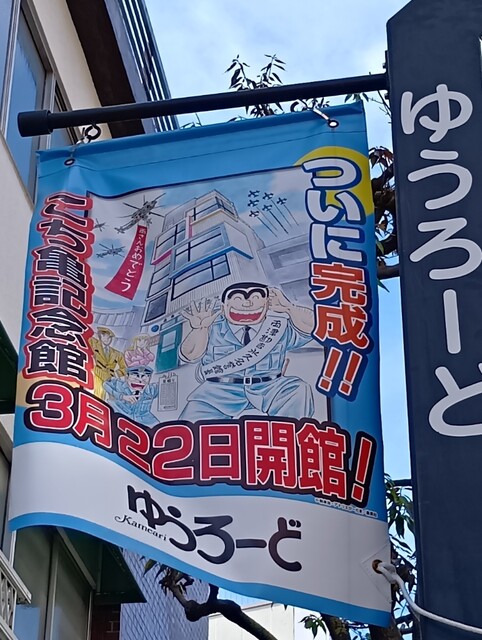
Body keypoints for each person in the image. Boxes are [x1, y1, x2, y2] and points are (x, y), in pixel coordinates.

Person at [179, 282, 315, 421]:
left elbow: (313, 329)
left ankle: (287, 433)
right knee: (192, 420)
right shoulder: (213, 328)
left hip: (269, 387)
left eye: (255, 297)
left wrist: (289, 308)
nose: (247, 304)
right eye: (237, 298)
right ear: (224, 307)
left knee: (298, 390)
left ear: (267, 304)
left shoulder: (277, 327)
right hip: (220, 389)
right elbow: (190, 355)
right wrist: (199, 329)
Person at [89, 327, 126, 400]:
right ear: (101, 336)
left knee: (114, 399)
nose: (109, 340)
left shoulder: (117, 353)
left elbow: (124, 368)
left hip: (111, 378)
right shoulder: (93, 344)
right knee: (98, 397)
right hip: (98, 375)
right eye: (108, 337)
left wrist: (116, 374)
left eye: (110, 338)